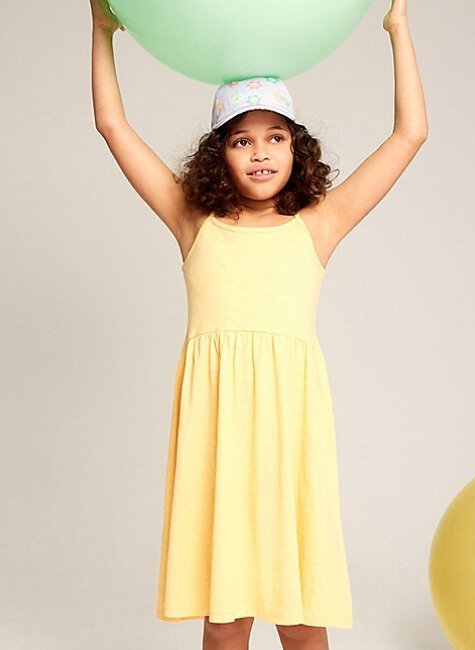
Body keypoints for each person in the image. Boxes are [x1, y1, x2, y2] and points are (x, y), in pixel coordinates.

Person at [90, 0, 428, 647]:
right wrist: (101, 31)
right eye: (243, 140)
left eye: (276, 137)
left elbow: (410, 133)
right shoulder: (195, 223)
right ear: (222, 155)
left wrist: (397, 27)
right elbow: (112, 125)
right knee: (227, 621)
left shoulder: (318, 225)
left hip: (289, 429)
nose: (261, 153)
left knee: (302, 619)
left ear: (297, 149)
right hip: (219, 430)